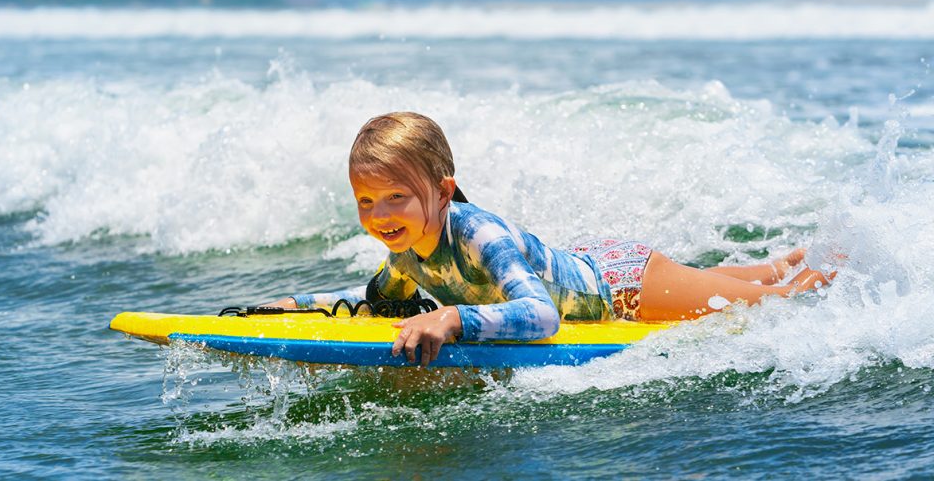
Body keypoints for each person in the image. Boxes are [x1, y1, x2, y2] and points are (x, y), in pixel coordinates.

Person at [262, 112, 832, 367]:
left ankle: (827, 272)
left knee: (770, 304)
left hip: (622, 285)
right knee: (727, 283)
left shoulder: (479, 233)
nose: (379, 215)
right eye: (366, 201)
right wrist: (302, 307)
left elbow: (542, 317)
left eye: (395, 198)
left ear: (442, 190)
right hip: (590, 266)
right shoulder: (406, 248)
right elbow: (383, 301)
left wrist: (454, 319)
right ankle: (777, 262)